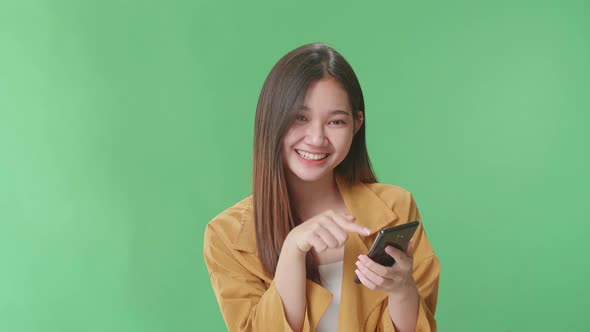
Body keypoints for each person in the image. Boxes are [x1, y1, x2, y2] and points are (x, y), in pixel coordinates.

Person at [203, 42, 440, 332]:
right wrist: (292, 250)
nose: (316, 138)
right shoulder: (226, 236)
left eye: (336, 121)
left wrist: (403, 290)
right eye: (299, 117)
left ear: (356, 124)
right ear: (271, 120)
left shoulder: (396, 207)